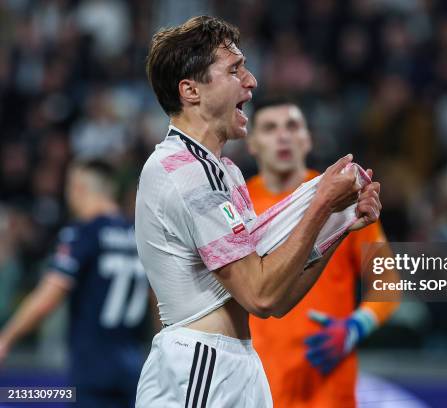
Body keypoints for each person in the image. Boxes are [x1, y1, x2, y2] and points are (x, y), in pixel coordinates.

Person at [135, 15, 382, 408]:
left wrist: (341, 223)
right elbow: (260, 294)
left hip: (239, 362)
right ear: (191, 90)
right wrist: (320, 204)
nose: (251, 82)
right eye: (235, 69)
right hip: (199, 363)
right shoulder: (182, 170)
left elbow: (278, 300)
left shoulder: (225, 172)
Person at [246, 98, 401, 407]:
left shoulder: (344, 200)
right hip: (254, 388)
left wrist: (356, 327)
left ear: (308, 138)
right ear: (252, 143)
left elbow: (389, 285)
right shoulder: (238, 205)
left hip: (327, 391)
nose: (283, 136)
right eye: (270, 128)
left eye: (292, 126)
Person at [0, 160, 150, 408]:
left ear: (78, 188)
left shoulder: (84, 232)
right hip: (132, 364)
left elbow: (49, 295)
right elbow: (155, 296)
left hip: (92, 366)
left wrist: (6, 338)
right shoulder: (136, 235)